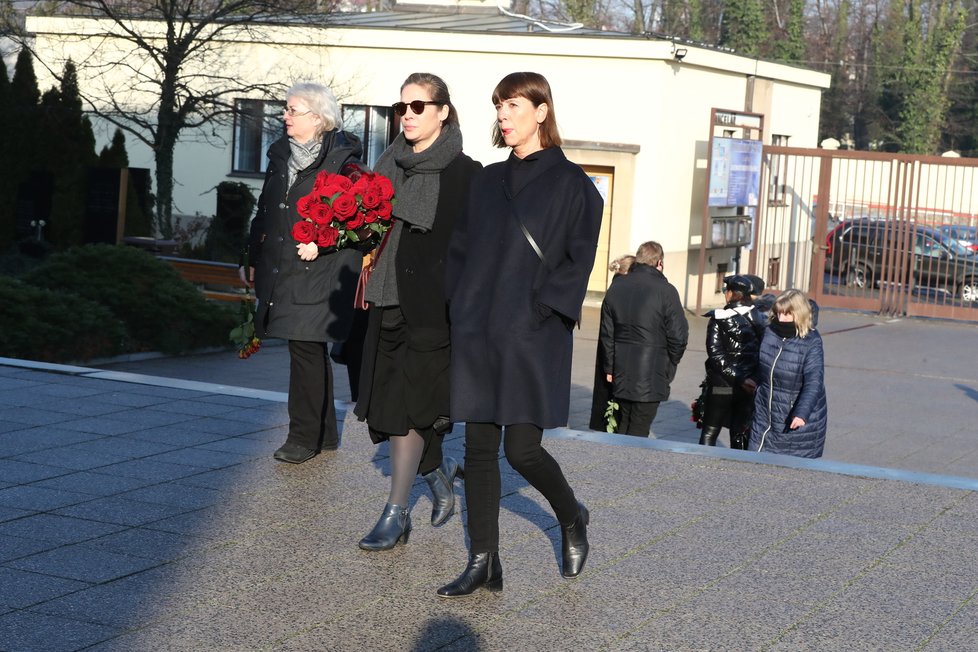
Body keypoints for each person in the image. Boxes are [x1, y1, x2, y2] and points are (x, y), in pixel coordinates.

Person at [439, 72, 603, 597]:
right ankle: (484, 560)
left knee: (523, 450)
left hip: (530, 333)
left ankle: (570, 514)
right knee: (480, 447)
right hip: (478, 330)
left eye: (512, 105)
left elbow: (578, 262)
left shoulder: (573, 184)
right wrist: (458, 307)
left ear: (540, 110)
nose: (503, 116)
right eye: (498, 106)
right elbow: (460, 251)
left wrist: (543, 312)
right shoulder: (486, 180)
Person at [353, 73, 482, 551]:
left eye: (418, 106)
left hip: (433, 312)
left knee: (411, 411)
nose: (406, 115)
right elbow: (370, 232)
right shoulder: (386, 165)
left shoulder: (466, 173)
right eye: (400, 107)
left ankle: (395, 512)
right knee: (390, 411)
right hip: (385, 300)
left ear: (443, 111)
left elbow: (473, 250)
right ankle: (438, 472)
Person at [240, 82, 364, 464]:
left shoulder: (344, 162)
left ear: (317, 117)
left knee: (305, 346)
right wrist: (250, 254)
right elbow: (265, 211)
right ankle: (323, 434)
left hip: (321, 269)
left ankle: (302, 436)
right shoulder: (281, 156)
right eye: (286, 109)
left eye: (292, 110)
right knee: (305, 349)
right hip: (284, 266)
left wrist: (323, 242)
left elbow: (361, 218)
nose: (285, 116)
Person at [597, 241, 689, 436]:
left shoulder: (616, 288)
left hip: (622, 368)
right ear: (659, 262)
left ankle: (617, 464)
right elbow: (679, 335)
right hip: (652, 370)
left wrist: (609, 367)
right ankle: (629, 465)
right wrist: (670, 363)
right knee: (640, 427)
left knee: (624, 423)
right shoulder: (666, 291)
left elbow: (607, 334)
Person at [749, 289, 828, 458]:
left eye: (787, 315)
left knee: (786, 473)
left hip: (793, 419)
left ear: (799, 314)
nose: (781, 319)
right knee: (754, 460)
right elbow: (763, 363)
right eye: (778, 313)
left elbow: (814, 382)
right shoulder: (769, 332)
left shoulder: (811, 341)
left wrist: (801, 413)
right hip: (765, 412)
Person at [698, 275, 764, 449]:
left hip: (722, 385)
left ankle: (700, 464)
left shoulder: (719, 318)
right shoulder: (759, 317)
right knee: (740, 431)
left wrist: (738, 378)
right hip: (749, 386)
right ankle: (739, 469)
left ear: (731, 294)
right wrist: (750, 379)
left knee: (710, 431)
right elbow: (764, 353)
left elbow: (716, 355)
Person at [588, 254, 636, 431]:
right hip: (613, 357)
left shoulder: (616, 287)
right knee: (609, 403)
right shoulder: (619, 291)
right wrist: (610, 367)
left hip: (609, 355)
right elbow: (609, 333)